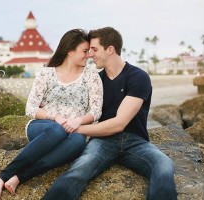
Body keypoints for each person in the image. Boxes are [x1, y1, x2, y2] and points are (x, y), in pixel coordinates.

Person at [42, 27, 177, 200]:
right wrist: (47, 105)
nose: (90, 55)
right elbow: (73, 104)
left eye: (95, 49)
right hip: (102, 142)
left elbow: (119, 123)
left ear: (110, 49)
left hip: (136, 142)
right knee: (80, 168)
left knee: (163, 164)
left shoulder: (138, 77)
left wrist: (75, 128)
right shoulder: (95, 80)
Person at [0, 29, 103, 200]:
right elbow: (31, 108)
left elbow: (96, 111)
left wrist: (78, 121)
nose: (89, 56)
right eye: (85, 51)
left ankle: (19, 177)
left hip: (74, 131)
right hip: (43, 127)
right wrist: (55, 117)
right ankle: (2, 177)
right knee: (57, 130)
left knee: (78, 142)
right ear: (70, 51)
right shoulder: (46, 74)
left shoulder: (91, 77)